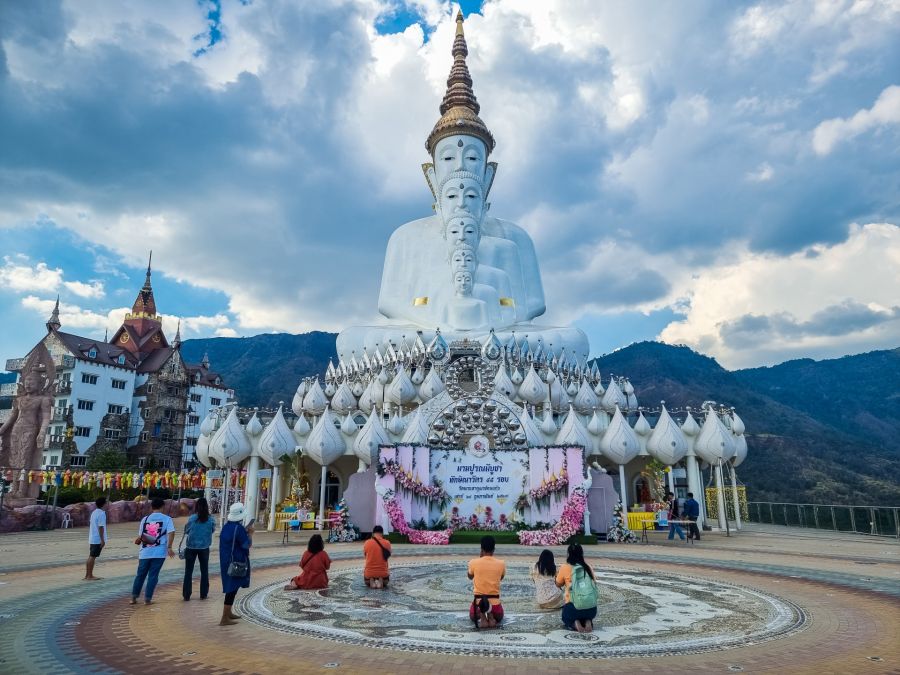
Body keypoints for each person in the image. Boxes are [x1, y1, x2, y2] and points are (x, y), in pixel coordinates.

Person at [130, 497, 176, 605]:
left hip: (145, 552)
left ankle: (133, 597)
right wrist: (169, 547)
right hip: (159, 552)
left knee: (140, 575)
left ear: (152, 507)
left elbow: (141, 535)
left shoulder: (145, 519)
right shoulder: (167, 519)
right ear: (162, 507)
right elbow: (171, 532)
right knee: (153, 576)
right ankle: (147, 598)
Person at [219, 502, 253, 626]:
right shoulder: (238, 529)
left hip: (226, 560)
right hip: (236, 561)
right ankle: (224, 617)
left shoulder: (227, 526)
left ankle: (228, 613)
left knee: (232, 587)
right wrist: (250, 533)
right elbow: (247, 544)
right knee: (232, 588)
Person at [556, 543, 598, 633]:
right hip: (591, 609)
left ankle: (574, 623)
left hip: (573, 607)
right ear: (581, 553)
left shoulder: (564, 567)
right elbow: (594, 582)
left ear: (568, 554)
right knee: (585, 612)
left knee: (565, 617)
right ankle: (588, 620)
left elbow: (558, 584)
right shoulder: (588, 567)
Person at [467, 535, 506, 629]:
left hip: (477, 608)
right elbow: (499, 578)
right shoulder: (501, 563)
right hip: (496, 608)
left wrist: (479, 560)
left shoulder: (473, 562)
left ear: (481, 548)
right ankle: (491, 616)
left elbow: (470, 576)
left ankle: (482, 616)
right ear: (494, 549)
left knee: (473, 616)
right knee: (498, 615)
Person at [182, 497, 216, 600]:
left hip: (191, 547)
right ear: (207, 507)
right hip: (204, 547)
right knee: (204, 571)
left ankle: (186, 595)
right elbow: (212, 530)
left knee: (188, 571)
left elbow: (187, 531)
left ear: (196, 506)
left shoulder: (192, 518)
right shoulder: (211, 519)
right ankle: (203, 594)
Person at [84, 496, 108, 580]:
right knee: (92, 556)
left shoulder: (94, 512)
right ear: (103, 504)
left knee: (91, 556)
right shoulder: (101, 513)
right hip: (97, 539)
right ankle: (89, 575)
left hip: (92, 537)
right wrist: (102, 540)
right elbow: (101, 527)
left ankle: (88, 575)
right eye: (106, 502)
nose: (107, 504)